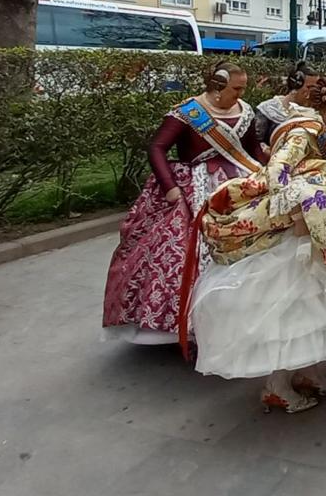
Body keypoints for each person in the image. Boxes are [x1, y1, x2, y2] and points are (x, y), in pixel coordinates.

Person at [189, 75, 326, 413]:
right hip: (298, 235)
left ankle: (308, 374)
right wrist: (301, 211)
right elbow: (279, 170)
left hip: (311, 231)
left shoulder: (306, 123)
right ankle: (277, 386)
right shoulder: (306, 129)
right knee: (292, 311)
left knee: (309, 312)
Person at [102, 62, 265, 344]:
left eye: (243, 88)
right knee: (178, 253)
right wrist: (170, 188)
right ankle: (185, 324)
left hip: (240, 187)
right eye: (236, 88)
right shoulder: (188, 113)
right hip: (193, 190)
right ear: (217, 87)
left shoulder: (245, 111)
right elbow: (157, 147)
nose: (240, 94)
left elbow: (251, 152)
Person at [256, 61, 319, 147]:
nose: (312, 92)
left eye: (315, 88)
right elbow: (255, 144)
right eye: (309, 87)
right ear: (296, 85)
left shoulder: (314, 113)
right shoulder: (268, 110)